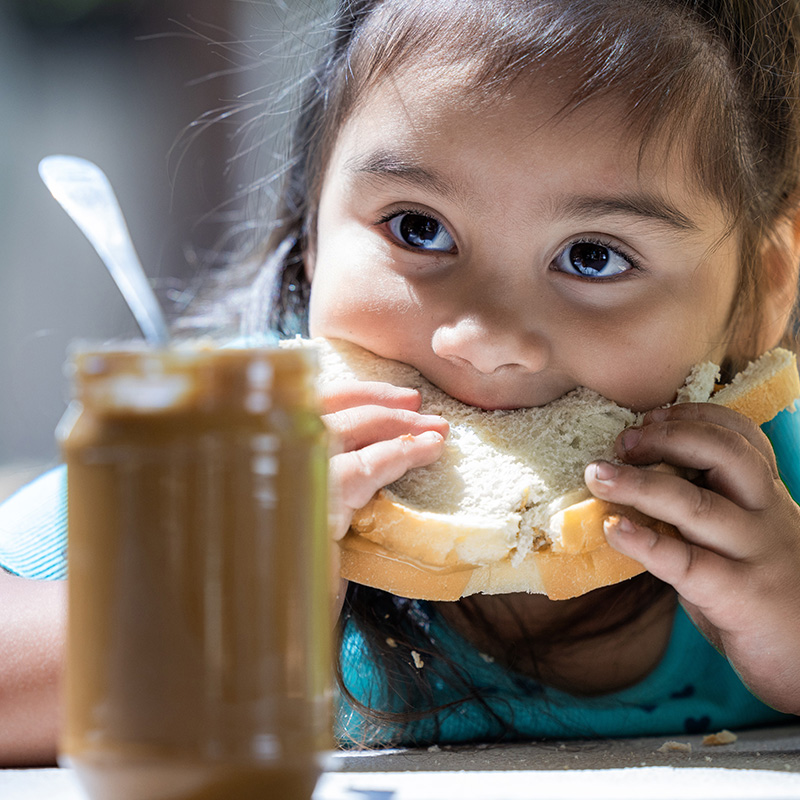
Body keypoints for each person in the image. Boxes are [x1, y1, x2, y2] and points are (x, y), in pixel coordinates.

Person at [3, 0, 800, 758]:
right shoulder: (226, 453)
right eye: (418, 228)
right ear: (310, 230)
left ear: (764, 284)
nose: (484, 342)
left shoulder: (776, 496)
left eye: (594, 257)